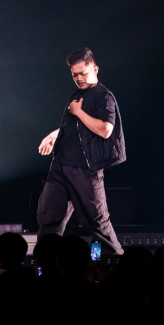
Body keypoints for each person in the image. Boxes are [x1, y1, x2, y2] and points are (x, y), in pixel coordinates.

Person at [36, 47, 125, 255]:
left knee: (98, 224)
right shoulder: (76, 94)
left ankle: (116, 262)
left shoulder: (103, 96)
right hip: (60, 166)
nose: (78, 78)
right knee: (48, 218)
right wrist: (53, 135)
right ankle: (46, 265)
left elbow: (105, 130)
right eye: (74, 74)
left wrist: (78, 111)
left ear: (95, 69)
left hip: (84, 169)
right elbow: (74, 128)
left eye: (82, 73)